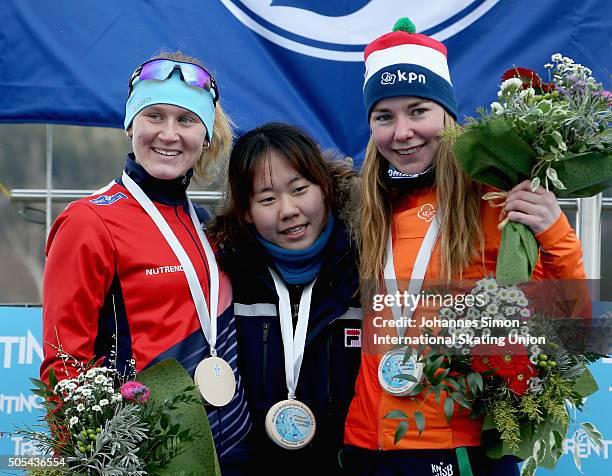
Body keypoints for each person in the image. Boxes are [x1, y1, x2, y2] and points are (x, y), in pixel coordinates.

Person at [342, 18, 587, 476]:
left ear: (446, 117)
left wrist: (555, 230)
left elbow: (571, 326)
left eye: (418, 111)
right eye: (384, 117)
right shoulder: (370, 207)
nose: (402, 132)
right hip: (366, 442)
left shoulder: (494, 200)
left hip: (457, 448)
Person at [40, 52, 251, 469]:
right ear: (130, 125)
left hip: (229, 449)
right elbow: (62, 364)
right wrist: (90, 461)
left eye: (186, 120)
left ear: (206, 136)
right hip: (144, 455)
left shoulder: (205, 226)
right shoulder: (90, 221)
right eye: (154, 115)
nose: (169, 135)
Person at [208, 122, 362, 474]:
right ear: (246, 211)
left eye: (299, 189)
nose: (288, 209)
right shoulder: (225, 279)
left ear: (325, 188)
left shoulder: (366, 271)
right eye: (267, 199)